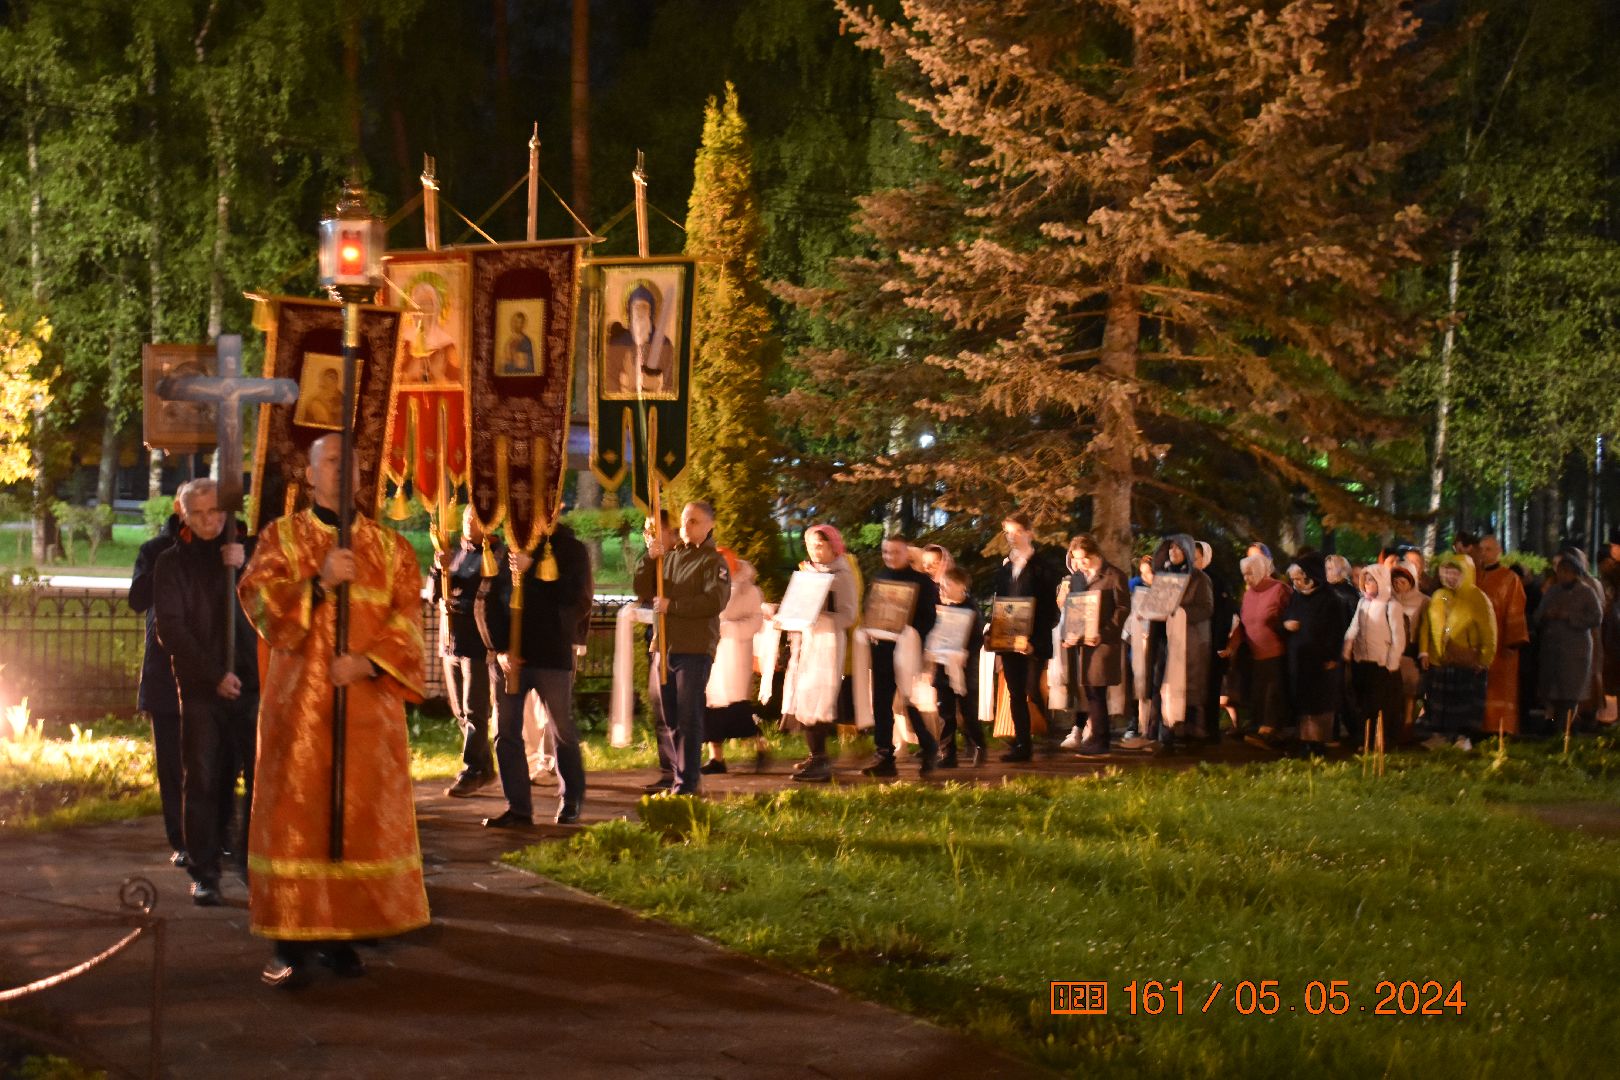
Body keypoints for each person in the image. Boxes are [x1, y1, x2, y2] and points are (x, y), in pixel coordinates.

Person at [237, 433, 430, 988]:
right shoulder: (283, 537)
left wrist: (368, 664)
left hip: (367, 713)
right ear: (311, 473)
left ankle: (345, 937)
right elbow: (257, 601)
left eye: (351, 465)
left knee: (356, 816)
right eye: (331, 463)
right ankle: (290, 938)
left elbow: (409, 620)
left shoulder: (392, 548)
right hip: (297, 714)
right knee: (298, 820)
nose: (341, 473)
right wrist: (320, 583)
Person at [153, 480, 258, 906]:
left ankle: (255, 864)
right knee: (202, 779)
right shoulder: (172, 563)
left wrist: (245, 565)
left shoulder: (248, 552)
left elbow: (274, 604)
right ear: (183, 515)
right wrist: (214, 675)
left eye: (216, 510)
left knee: (257, 779)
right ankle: (205, 870)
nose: (210, 519)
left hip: (251, 683)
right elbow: (172, 629)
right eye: (198, 513)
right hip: (201, 688)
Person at [483, 521, 593, 827]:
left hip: (550, 655)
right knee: (506, 733)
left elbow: (574, 600)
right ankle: (518, 807)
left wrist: (532, 570)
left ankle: (571, 799)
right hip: (510, 659)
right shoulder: (510, 547)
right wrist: (499, 649)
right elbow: (490, 597)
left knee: (561, 729)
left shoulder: (571, 551)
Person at [635, 501, 730, 795]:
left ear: (709, 526)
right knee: (670, 717)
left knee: (688, 718)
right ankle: (676, 776)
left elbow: (714, 602)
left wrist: (672, 606)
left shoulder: (713, 562)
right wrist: (650, 559)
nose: (687, 527)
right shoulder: (670, 557)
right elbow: (642, 589)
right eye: (686, 521)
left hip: (694, 647)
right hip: (665, 645)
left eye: (695, 522)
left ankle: (688, 782)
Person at [431, 507, 508, 798]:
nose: (468, 522)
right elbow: (433, 594)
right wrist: (438, 572)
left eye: (474, 518)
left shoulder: (496, 554)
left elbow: (489, 594)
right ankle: (484, 766)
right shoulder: (453, 553)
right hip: (450, 641)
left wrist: (460, 604)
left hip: (477, 643)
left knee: (475, 709)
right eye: (465, 517)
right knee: (459, 710)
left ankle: (474, 768)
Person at [129, 501, 187, 868]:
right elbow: (137, 599)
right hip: (165, 674)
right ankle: (181, 840)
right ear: (180, 509)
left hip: (214, 676)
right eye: (196, 507)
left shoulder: (225, 548)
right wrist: (168, 559)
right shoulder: (154, 550)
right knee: (171, 764)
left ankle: (213, 838)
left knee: (211, 764)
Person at [781, 524, 859, 782]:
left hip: (827, 643)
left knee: (818, 698)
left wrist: (819, 619)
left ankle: (821, 759)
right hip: (806, 642)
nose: (814, 550)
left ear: (832, 546)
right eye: (810, 545)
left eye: (820, 545)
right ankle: (815, 754)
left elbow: (848, 616)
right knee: (803, 695)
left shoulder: (842, 575)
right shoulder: (807, 572)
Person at [1124, 534, 1213, 754]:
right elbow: (1156, 604)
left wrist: (1179, 612)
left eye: (1178, 548)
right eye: (1170, 548)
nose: (1173, 551)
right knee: (1159, 684)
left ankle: (1190, 733)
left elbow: (1206, 609)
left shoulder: (1200, 579)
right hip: (1161, 640)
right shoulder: (1163, 576)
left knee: (1184, 687)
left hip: (1187, 642)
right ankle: (1162, 734)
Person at [862, 535, 939, 777]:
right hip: (882, 649)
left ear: (907, 553)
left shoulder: (921, 582)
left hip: (907, 649)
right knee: (883, 702)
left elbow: (929, 618)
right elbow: (871, 609)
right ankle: (884, 754)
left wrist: (910, 633)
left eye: (895, 552)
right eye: (885, 552)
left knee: (908, 702)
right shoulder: (879, 578)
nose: (889, 557)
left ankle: (928, 747)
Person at [990, 513, 1060, 762]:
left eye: (1016, 531)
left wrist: (1034, 643)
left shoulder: (1042, 567)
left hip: (1033, 641)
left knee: (1034, 689)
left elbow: (1049, 609)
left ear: (1029, 533)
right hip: (1009, 641)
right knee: (1015, 691)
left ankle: (1049, 737)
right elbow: (1000, 604)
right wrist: (998, 641)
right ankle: (1023, 744)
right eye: (1007, 532)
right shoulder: (1006, 567)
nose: (1011, 537)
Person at [1417, 552, 1496, 751]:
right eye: (1446, 572)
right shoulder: (1437, 596)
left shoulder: (1478, 598)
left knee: (1465, 701)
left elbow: (1489, 631)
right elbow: (1426, 625)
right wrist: (1424, 651)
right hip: (1440, 660)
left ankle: (1463, 737)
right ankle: (1440, 736)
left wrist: (1485, 659)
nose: (1449, 577)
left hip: (1467, 660)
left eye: (1454, 573)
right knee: (1439, 702)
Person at [1060, 534, 1130, 756]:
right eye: (1076, 560)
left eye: (1083, 559)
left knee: (1097, 691)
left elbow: (1123, 608)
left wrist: (1105, 632)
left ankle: (1101, 741)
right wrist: (1071, 633)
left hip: (1103, 643)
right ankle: (1096, 737)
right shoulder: (1078, 578)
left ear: (1095, 554)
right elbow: (1075, 608)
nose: (1080, 564)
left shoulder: (1114, 576)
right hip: (1083, 643)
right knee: (1089, 692)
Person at [701, 549, 768, 774]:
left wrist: (728, 628)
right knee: (711, 708)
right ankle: (716, 758)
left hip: (735, 654)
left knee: (737, 708)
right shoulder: (708, 585)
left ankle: (760, 745)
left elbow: (756, 621)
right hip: (712, 654)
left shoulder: (749, 591)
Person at [1281, 554, 1347, 756]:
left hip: (1321, 661)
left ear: (1312, 576)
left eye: (1300, 579)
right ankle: (1304, 740)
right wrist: (1286, 624)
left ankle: (1317, 742)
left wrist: (1333, 657)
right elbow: (1285, 618)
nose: (1296, 584)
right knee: (1302, 701)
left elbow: (1339, 630)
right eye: (1293, 580)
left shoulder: (1331, 600)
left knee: (1319, 704)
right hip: (1299, 658)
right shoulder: (1297, 597)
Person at [1536, 551, 1603, 743]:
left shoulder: (1586, 592)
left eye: (1566, 572)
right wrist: (1547, 615)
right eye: (1560, 571)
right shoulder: (1553, 591)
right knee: (1552, 690)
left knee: (1570, 692)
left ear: (1575, 572)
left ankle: (1568, 726)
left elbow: (1596, 618)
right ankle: (1552, 724)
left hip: (1576, 650)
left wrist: (1570, 617)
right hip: (1552, 648)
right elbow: (1538, 615)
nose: (1562, 576)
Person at [1342, 563, 1406, 754]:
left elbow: (1398, 637)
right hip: (1363, 662)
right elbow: (1354, 626)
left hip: (1382, 664)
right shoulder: (1363, 603)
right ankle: (1366, 740)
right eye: (1366, 579)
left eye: (1372, 579)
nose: (1368, 583)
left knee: (1382, 705)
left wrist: (1392, 663)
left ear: (1381, 580)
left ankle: (1383, 740)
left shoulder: (1391, 606)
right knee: (1364, 704)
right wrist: (1348, 645)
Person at [1233, 551, 1292, 747]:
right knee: (1258, 690)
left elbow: (1287, 614)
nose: (1246, 578)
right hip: (1254, 652)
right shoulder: (1249, 593)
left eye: (1250, 573)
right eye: (1244, 574)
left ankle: (1271, 727)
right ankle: (1258, 724)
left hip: (1275, 650)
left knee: (1272, 691)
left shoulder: (1279, 589)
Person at [931, 566, 986, 767]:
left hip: (963, 671)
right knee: (945, 713)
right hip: (942, 667)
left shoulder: (971, 608)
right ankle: (947, 753)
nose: (942, 589)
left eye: (948, 585)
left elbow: (977, 639)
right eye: (941, 585)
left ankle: (979, 746)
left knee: (968, 712)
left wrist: (965, 654)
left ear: (961, 586)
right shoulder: (939, 607)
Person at [1475, 535, 1530, 736]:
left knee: (1500, 687)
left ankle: (1500, 730)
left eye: (1488, 549)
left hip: (1501, 645)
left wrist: (1513, 640)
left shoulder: (1510, 579)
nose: (1483, 553)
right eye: (1481, 549)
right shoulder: (1472, 576)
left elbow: (1515, 611)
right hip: (1476, 643)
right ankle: (1476, 727)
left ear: (1498, 551)